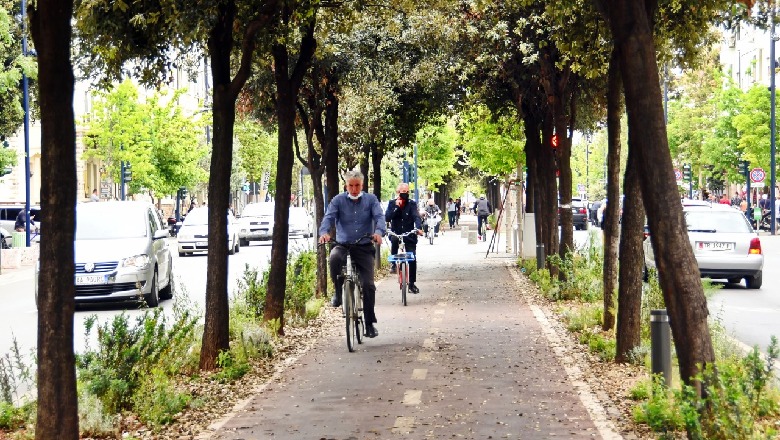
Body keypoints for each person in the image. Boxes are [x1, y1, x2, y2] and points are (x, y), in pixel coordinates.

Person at [318, 170, 385, 338]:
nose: (354, 189)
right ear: (346, 186)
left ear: (362, 185)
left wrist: (378, 232)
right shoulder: (338, 201)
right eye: (351, 186)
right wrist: (325, 232)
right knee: (333, 258)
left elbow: (379, 217)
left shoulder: (371, 200)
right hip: (343, 244)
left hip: (363, 245)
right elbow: (328, 218)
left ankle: (369, 324)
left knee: (368, 285)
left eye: (357, 186)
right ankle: (338, 292)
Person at [385, 182, 423, 293]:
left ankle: (411, 283)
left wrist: (419, 228)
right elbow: (387, 217)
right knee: (395, 240)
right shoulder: (392, 203)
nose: (405, 194)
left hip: (409, 234)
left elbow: (416, 216)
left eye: (407, 192)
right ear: (398, 193)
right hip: (396, 233)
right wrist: (397, 207)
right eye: (403, 192)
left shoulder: (412, 204)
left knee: (412, 258)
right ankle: (393, 264)